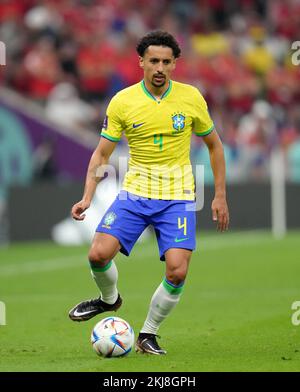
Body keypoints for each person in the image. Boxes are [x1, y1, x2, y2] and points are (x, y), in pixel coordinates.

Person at [69, 31, 229, 355]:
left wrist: (220, 195)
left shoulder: (191, 98)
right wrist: (88, 196)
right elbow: (101, 154)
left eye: (166, 62)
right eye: (153, 60)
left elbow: (214, 146)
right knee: (97, 255)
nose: (159, 67)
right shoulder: (123, 101)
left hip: (178, 195)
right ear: (141, 62)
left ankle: (148, 334)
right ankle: (109, 300)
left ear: (174, 64)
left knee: (178, 270)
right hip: (135, 193)